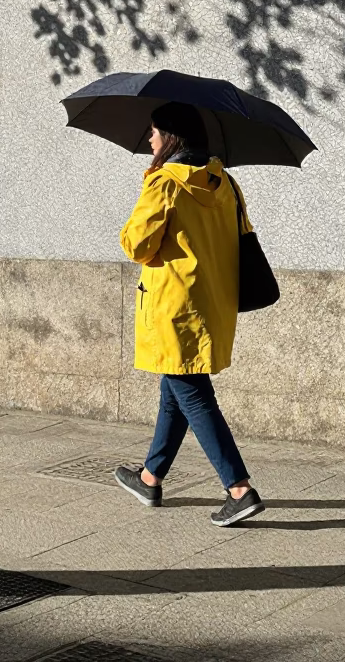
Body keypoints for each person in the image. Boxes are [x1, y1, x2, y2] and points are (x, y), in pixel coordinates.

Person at [114, 101, 264, 526]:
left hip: (172, 306)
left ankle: (239, 489)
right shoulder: (226, 183)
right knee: (174, 390)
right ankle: (150, 477)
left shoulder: (164, 183)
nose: (149, 138)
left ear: (172, 136)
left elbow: (137, 246)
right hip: (211, 302)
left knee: (193, 394)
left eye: (155, 131)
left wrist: (147, 189)